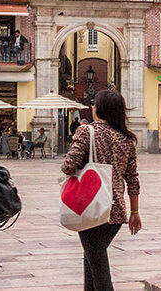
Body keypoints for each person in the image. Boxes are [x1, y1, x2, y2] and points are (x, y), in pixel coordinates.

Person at [62, 89, 141, 291]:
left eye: (94, 105)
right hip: (116, 213)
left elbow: (68, 166)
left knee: (99, 269)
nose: (92, 108)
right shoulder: (126, 139)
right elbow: (133, 179)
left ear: (99, 109)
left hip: (91, 207)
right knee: (92, 260)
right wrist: (135, 212)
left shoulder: (86, 131)